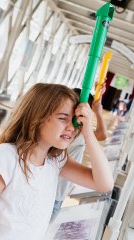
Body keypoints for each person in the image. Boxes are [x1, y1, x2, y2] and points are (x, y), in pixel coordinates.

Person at [0, 83, 114, 240]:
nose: (72, 127)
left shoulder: (56, 160)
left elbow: (105, 184)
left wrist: (88, 132)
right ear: (37, 117)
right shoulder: (6, 157)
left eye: (75, 121)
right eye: (62, 118)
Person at [51, 85, 108, 221]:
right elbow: (102, 135)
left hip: (57, 192)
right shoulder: (77, 131)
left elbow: (101, 135)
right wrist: (97, 113)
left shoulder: (77, 131)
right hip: (55, 193)